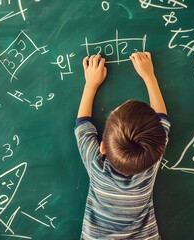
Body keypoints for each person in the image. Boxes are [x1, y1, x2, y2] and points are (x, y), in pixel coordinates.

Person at [75, 52, 171, 239]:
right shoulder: (149, 162)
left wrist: (91, 85)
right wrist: (149, 76)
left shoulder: (96, 166)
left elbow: (82, 126)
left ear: (102, 148)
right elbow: (163, 121)